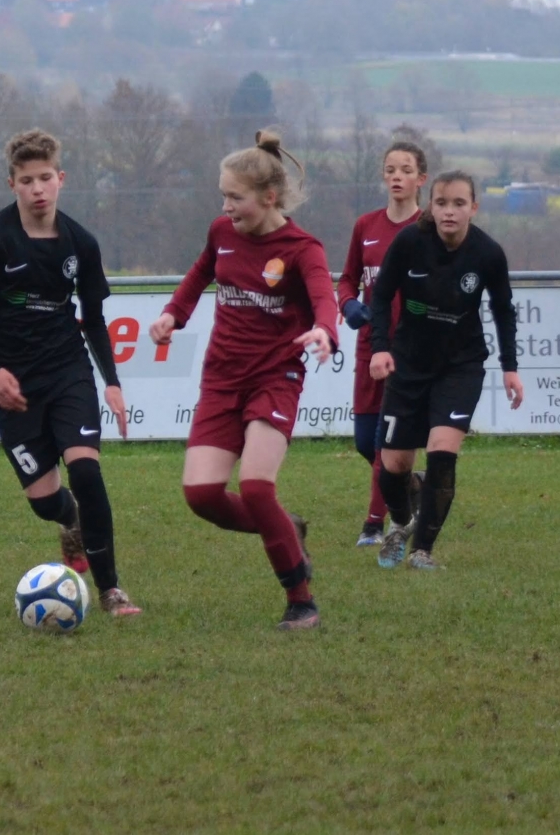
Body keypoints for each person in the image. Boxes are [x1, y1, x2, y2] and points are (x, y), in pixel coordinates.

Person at [150, 131, 337, 630]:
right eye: (223, 196)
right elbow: (200, 273)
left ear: (269, 197)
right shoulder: (222, 232)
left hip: (275, 377)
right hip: (222, 378)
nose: (225, 206)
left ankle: (301, 601)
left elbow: (324, 297)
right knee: (202, 496)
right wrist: (173, 314)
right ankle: (286, 529)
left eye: (235, 197)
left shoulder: (301, 248)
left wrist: (325, 330)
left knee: (256, 487)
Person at [0, 129, 140, 617]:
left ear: (61, 179)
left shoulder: (82, 243)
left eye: (45, 178)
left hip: (67, 369)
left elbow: (93, 319)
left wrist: (111, 382)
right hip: (13, 383)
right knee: (44, 501)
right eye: (26, 180)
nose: (37, 189)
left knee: (86, 470)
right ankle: (69, 519)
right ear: (12, 184)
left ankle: (111, 590)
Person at [367, 171, 522, 570]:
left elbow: (503, 310)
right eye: (441, 203)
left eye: (458, 203)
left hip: (460, 367)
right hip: (408, 364)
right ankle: (404, 518)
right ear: (430, 207)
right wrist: (380, 348)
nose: (449, 211)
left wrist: (510, 367)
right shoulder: (409, 242)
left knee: (442, 453)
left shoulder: (488, 253)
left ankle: (423, 551)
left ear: (474, 207)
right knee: (393, 467)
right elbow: (380, 297)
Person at [336, 140, 427, 546]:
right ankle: (412, 486)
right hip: (370, 347)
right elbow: (347, 279)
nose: (397, 177)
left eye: (406, 170)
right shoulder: (365, 226)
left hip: (409, 350)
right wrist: (348, 303)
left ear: (421, 179)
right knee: (365, 440)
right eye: (390, 170)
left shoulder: (428, 228)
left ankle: (374, 525)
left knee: (383, 444)